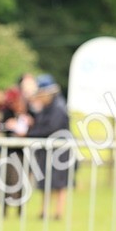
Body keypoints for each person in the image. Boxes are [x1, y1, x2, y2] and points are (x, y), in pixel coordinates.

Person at [23, 74, 72, 220]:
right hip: (47, 150)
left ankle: (58, 212)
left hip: (59, 151)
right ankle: (44, 211)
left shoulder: (58, 107)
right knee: (45, 181)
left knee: (59, 183)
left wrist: (30, 134)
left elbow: (51, 128)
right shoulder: (46, 107)